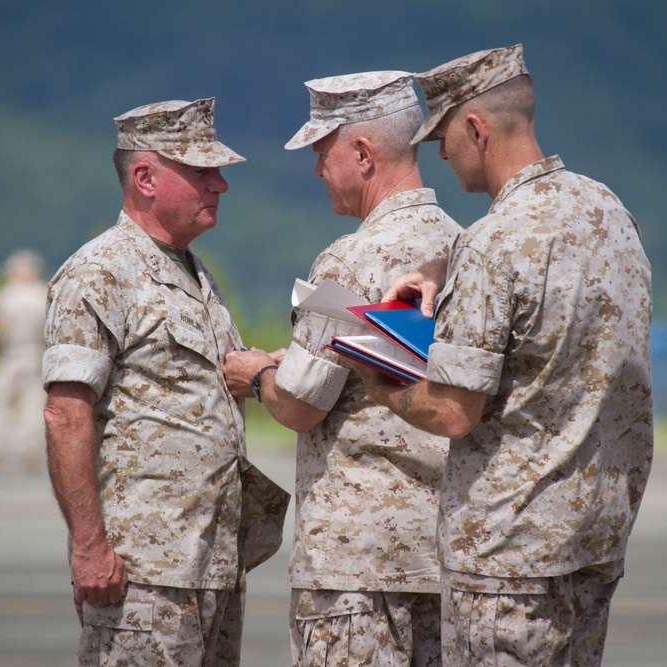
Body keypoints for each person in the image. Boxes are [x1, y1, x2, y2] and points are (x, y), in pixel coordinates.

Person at [345, 45, 654, 667]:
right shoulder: (607, 210)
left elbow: (453, 413)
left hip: (508, 556)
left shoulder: (493, 243)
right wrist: (445, 267)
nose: (439, 152)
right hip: (594, 539)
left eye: (444, 136)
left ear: (476, 128)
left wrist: (368, 368)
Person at [223, 71, 461, 666]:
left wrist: (257, 375)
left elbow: (301, 403)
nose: (316, 170)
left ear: (361, 153)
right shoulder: (464, 245)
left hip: (359, 565)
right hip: (447, 556)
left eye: (322, 153)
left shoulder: (352, 256)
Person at [42, 98, 287, 666]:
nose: (221, 184)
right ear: (146, 178)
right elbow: (65, 413)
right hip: (143, 571)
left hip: (212, 562)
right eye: (202, 172)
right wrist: (88, 547)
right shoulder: (99, 272)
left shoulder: (193, 271)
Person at [0, 249, 47, 474]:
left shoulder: (7, 294)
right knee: (32, 405)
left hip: (10, 354)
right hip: (35, 354)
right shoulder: (42, 293)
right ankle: (29, 451)